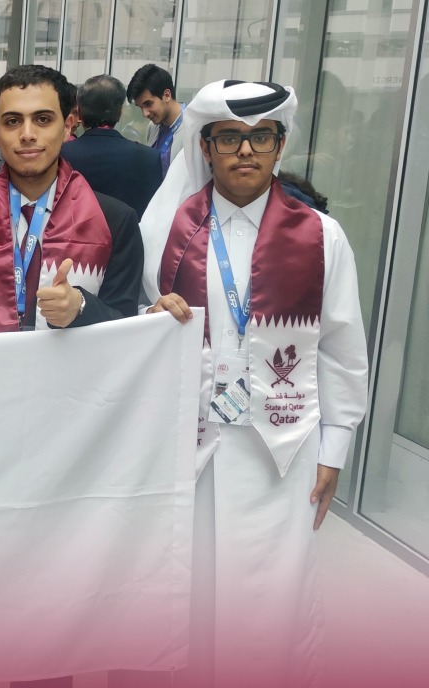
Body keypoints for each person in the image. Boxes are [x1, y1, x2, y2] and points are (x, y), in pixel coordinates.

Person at [143, 80, 368, 688]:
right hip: (190, 447)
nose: (246, 151)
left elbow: (343, 347)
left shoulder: (322, 235)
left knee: (272, 602)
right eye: (231, 138)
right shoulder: (165, 230)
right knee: (184, 594)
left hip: (283, 448)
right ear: (208, 146)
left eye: (261, 138)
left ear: (280, 145)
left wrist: (335, 448)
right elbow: (142, 337)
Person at [0, 65, 143, 338]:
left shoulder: (115, 221)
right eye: (13, 121)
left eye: (43, 119)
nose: (27, 134)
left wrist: (81, 307)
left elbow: (127, 324)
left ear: (68, 126)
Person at [61, 75, 163, 220]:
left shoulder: (60, 156)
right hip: (129, 240)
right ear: (120, 112)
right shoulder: (149, 158)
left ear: (80, 112)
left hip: (71, 241)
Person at [126, 64, 185, 170]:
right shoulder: (152, 126)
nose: (145, 113)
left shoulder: (191, 128)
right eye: (140, 107)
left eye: (148, 104)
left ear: (167, 95)